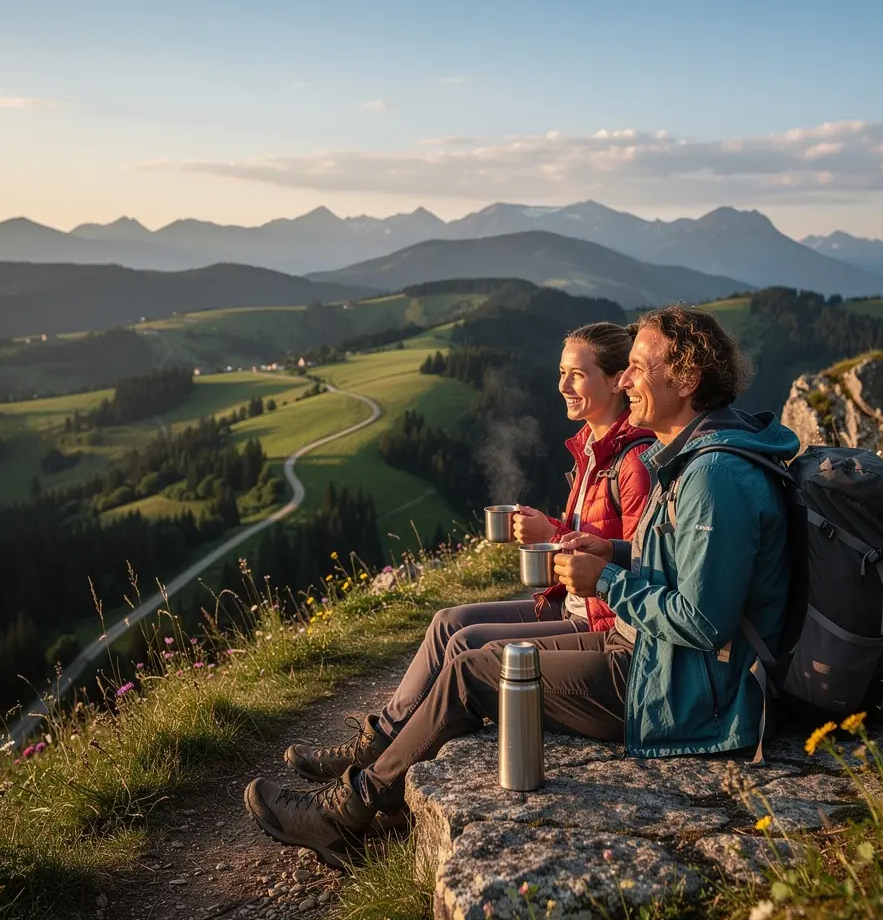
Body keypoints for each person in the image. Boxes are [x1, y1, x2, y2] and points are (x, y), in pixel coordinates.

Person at [244, 306, 800, 867]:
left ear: (685, 380)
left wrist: (605, 578)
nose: (627, 380)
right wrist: (615, 551)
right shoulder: (693, 458)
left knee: (474, 672)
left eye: (635, 366)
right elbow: (683, 564)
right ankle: (378, 794)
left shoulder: (713, 477)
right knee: (473, 651)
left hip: (681, 690)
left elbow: (704, 621)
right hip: (659, 658)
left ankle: (347, 814)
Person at [276, 322, 652, 789]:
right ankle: (380, 743)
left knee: (467, 644)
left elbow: (643, 561)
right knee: (448, 622)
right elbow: (594, 539)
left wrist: (550, 534)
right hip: (574, 603)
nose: (562, 386)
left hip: (599, 618)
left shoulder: (632, 461)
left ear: (617, 380)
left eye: (577, 374)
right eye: (561, 373)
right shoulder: (593, 451)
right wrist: (549, 535)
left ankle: (388, 768)